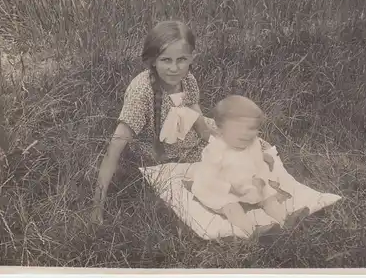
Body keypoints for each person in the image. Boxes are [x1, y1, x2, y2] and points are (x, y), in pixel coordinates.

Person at [90, 20, 216, 225]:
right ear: (153, 61)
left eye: (181, 59)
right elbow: (114, 148)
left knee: (245, 147)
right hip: (160, 155)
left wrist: (211, 138)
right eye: (166, 60)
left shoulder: (188, 80)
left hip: (187, 136)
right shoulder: (143, 93)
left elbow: (195, 113)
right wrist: (97, 208)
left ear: (192, 57)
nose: (174, 68)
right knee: (207, 190)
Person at [191, 95, 304, 238]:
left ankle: (286, 221)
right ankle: (252, 231)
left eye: (252, 128)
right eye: (238, 128)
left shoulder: (253, 144)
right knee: (231, 207)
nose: (246, 134)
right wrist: (230, 189)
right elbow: (209, 179)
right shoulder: (215, 150)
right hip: (220, 189)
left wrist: (260, 180)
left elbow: (259, 165)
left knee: (268, 197)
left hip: (247, 184)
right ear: (220, 129)